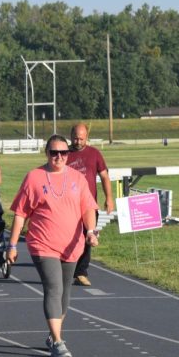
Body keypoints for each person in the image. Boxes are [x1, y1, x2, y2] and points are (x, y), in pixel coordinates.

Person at [6, 134, 99, 357]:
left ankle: (52, 333)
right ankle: (58, 341)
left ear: (68, 154)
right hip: (43, 243)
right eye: (54, 152)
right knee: (54, 287)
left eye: (63, 153)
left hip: (72, 245)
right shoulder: (34, 177)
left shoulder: (77, 178)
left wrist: (90, 231)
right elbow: (20, 213)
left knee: (65, 291)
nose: (59, 157)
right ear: (46, 153)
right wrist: (12, 244)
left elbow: (87, 208)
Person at [66, 123, 112, 287]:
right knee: (68, 237)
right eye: (75, 138)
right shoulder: (64, 154)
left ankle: (81, 272)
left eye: (81, 138)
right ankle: (66, 268)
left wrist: (109, 198)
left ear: (87, 137)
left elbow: (105, 177)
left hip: (89, 205)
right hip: (68, 205)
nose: (78, 141)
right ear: (71, 136)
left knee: (88, 236)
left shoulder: (94, 154)